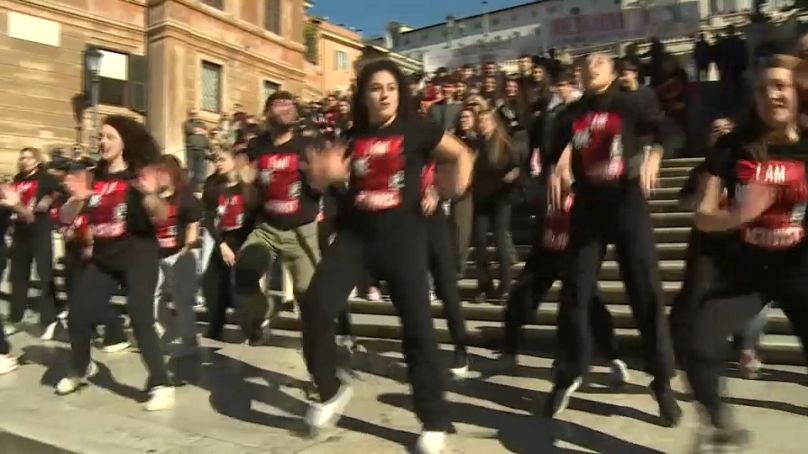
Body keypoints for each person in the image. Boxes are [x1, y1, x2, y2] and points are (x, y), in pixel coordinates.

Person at [300, 58, 473, 454]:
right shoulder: (352, 135)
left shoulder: (418, 127)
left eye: (391, 87)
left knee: (418, 331)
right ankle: (329, 390)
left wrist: (446, 192)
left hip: (404, 239)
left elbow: (460, 154)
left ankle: (432, 419)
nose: (384, 94)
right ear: (363, 95)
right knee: (314, 305)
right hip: (356, 237)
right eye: (375, 88)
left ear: (401, 93)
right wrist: (325, 178)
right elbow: (332, 181)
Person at [545, 53, 681, 425]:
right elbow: (549, 151)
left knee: (645, 290)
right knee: (575, 289)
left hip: (626, 202)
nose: (591, 68)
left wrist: (655, 152)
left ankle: (662, 381)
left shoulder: (630, 104)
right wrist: (556, 165)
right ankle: (570, 371)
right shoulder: (569, 116)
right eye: (585, 64)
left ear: (614, 71)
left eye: (600, 63)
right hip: (588, 206)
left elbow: (671, 131)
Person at [686, 54, 808, 448]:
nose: (772, 94)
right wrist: (739, 214)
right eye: (763, 87)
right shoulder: (732, 146)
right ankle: (719, 422)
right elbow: (703, 216)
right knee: (698, 346)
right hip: (745, 272)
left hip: (800, 269)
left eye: (781, 86)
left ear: (798, 93)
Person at [54, 115, 174, 411]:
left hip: (138, 253)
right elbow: (66, 217)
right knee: (78, 315)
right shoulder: (94, 176)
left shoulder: (139, 175)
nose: (102, 142)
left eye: (109, 137)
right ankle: (81, 368)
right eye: (100, 137)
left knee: (141, 317)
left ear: (124, 142)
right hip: (104, 256)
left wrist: (149, 195)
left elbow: (160, 216)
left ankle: (161, 383)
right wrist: (78, 199)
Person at [235, 91, 323, 345]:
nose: (286, 108)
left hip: (302, 230)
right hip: (267, 228)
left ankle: (319, 368)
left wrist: (318, 174)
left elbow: (320, 187)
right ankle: (264, 311)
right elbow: (243, 169)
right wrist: (244, 176)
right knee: (244, 271)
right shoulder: (257, 146)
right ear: (267, 112)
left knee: (310, 302)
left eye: (291, 104)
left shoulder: (307, 146)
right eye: (279, 104)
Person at [4, 147, 60, 340]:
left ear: (36, 160)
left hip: (39, 231)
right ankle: (16, 317)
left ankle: (50, 320)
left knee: (44, 276)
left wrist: (48, 199)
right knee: (18, 277)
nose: (24, 161)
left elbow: (59, 192)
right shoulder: (18, 179)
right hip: (20, 232)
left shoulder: (45, 177)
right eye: (22, 158)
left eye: (28, 158)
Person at [202, 148, 257, 340]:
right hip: (222, 240)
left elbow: (255, 219)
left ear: (234, 162)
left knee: (238, 290)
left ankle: (253, 328)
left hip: (243, 241)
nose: (218, 163)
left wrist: (247, 246)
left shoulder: (248, 190)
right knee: (211, 284)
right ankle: (215, 327)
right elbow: (208, 218)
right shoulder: (213, 186)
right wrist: (221, 245)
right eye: (216, 160)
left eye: (223, 159)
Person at [152, 155, 203, 356]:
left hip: (180, 253)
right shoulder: (153, 198)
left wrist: (185, 251)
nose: (159, 177)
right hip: (156, 255)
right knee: (151, 297)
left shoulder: (185, 197)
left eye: (163, 172)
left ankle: (189, 341)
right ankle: (168, 329)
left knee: (182, 301)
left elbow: (193, 226)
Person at [471, 109, 521, 302]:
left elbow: (516, 168)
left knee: (500, 239)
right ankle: (484, 285)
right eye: (480, 121)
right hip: (482, 199)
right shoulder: (476, 144)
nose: (482, 124)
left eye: (486, 121)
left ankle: (506, 284)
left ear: (494, 123)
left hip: (501, 198)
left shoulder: (503, 144)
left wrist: (512, 176)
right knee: (480, 243)